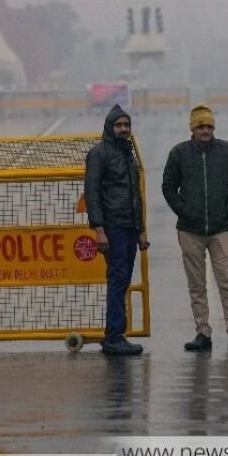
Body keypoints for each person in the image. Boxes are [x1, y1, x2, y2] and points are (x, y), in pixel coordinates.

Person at [161, 104, 228, 352]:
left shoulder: (227, 151)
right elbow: (168, 186)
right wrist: (184, 210)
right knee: (197, 284)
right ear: (193, 128)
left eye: (210, 126)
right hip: (190, 230)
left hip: (220, 229)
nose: (206, 130)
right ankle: (203, 332)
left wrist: (226, 210)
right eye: (201, 126)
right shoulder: (178, 153)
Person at [85, 104, 148, 356]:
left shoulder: (128, 153)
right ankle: (113, 336)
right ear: (109, 128)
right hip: (112, 228)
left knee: (121, 280)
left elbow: (136, 195)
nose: (123, 129)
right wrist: (99, 229)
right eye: (119, 125)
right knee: (117, 279)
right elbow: (92, 193)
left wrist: (141, 229)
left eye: (126, 125)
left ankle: (115, 334)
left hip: (129, 227)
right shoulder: (99, 154)